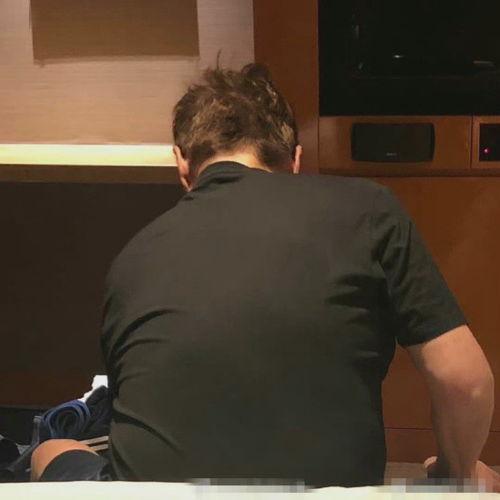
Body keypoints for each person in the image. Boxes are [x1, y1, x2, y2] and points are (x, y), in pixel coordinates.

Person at [31, 63, 499, 491]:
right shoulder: (370, 211)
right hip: (328, 491)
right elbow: (465, 382)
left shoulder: (131, 258)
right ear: (294, 160)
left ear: (181, 163)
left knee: (52, 449)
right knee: (479, 476)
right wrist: (456, 475)